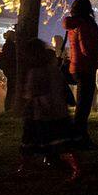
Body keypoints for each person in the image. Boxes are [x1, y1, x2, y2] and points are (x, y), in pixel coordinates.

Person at [17, 38, 82, 179]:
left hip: (43, 110)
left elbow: (32, 91)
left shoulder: (37, 71)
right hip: (55, 109)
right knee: (46, 139)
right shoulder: (52, 69)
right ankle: (28, 166)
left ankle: (75, 168)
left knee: (53, 140)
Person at [64, 0, 98, 146]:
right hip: (86, 67)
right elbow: (87, 49)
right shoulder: (84, 25)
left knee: (82, 102)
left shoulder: (74, 25)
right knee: (84, 104)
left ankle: (79, 135)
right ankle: (79, 136)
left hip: (77, 66)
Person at [0, 28, 19, 113]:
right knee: (11, 90)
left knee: (11, 89)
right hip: (11, 70)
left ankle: (9, 107)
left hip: (9, 70)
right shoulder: (11, 46)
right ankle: (9, 108)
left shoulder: (7, 45)